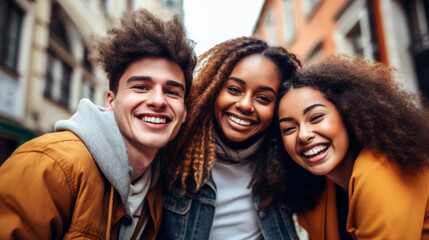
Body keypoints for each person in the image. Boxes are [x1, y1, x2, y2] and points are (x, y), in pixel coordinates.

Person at [0, 9, 196, 239]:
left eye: (172, 91)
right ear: (111, 102)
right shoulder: (48, 165)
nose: (157, 101)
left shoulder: (159, 188)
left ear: (184, 113)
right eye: (141, 86)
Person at [158, 37, 302, 239]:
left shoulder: (286, 162)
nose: (245, 105)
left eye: (263, 98)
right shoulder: (173, 152)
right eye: (234, 90)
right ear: (214, 90)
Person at [277, 55, 429, 240]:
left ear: (348, 112)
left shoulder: (380, 169)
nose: (303, 135)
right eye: (289, 128)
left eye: (316, 117)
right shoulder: (322, 191)